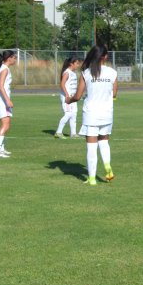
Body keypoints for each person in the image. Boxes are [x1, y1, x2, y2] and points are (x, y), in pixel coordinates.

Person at [69, 45, 118, 185]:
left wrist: (69, 99)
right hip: (107, 113)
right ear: (105, 57)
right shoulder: (112, 73)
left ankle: (91, 178)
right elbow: (114, 93)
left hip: (91, 114)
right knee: (104, 141)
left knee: (91, 146)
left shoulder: (86, 73)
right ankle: (107, 166)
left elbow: (77, 96)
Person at [0, 50, 17, 158]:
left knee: (7, 123)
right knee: (5, 124)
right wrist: (7, 100)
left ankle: (1, 149)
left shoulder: (0, 68)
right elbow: (0, 86)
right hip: (2, 100)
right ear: (9, 58)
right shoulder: (5, 69)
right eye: (14, 57)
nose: (15, 59)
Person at [55, 57, 81, 138]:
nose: (78, 65)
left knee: (74, 114)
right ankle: (58, 133)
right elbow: (62, 84)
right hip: (67, 98)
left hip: (72, 98)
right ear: (71, 63)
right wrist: (66, 94)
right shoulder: (67, 72)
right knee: (68, 114)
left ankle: (73, 134)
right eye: (76, 63)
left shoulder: (73, 73)